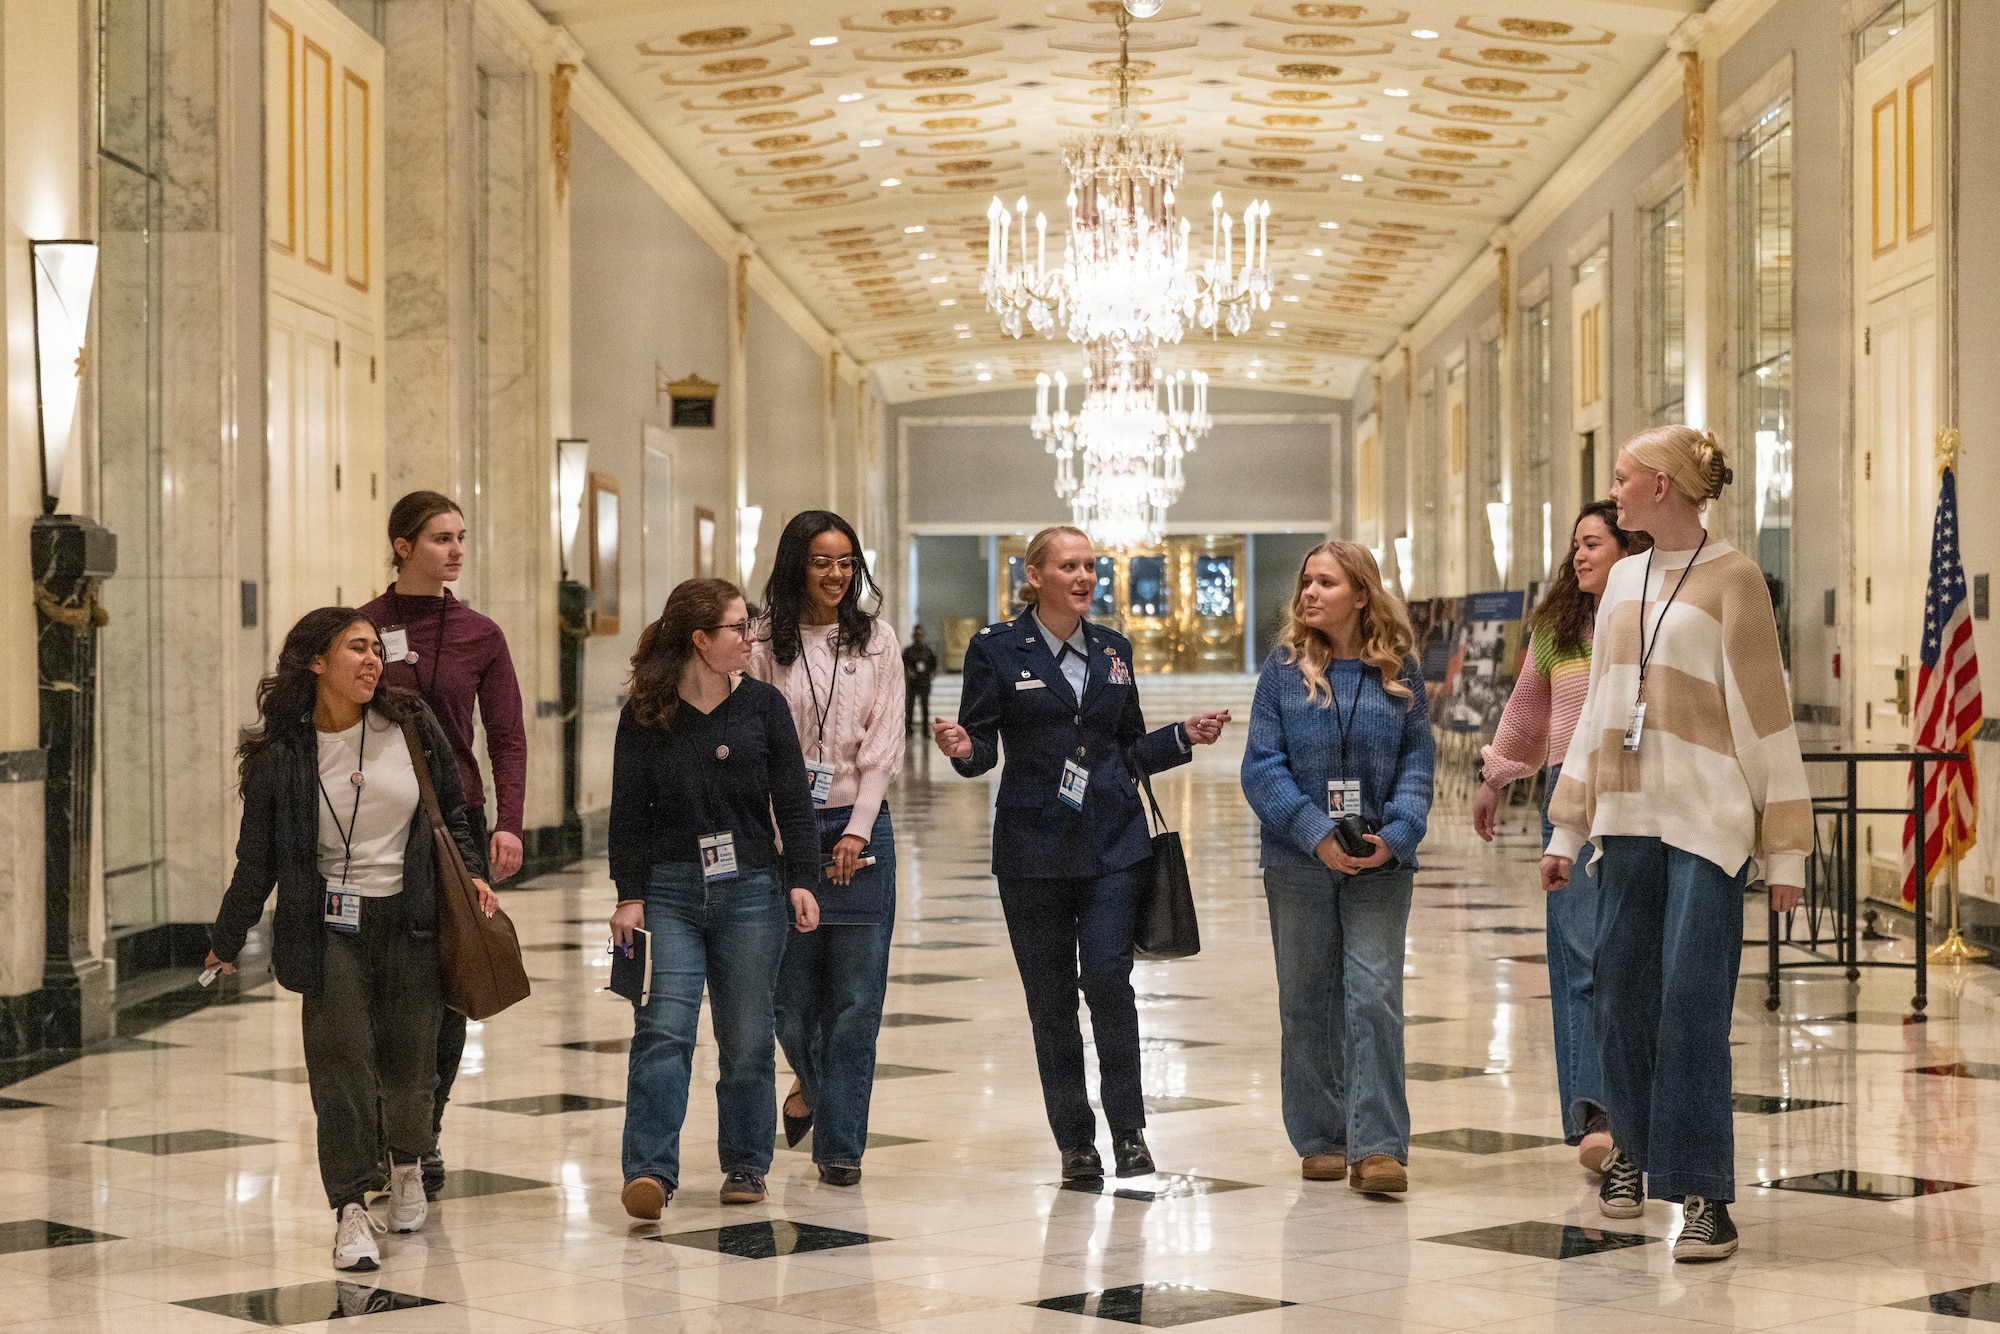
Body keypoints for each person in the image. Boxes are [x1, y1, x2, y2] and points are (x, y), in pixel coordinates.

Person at [1544, 425, 1809, 1262]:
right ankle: (1629, 1149)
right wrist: (1566, 826)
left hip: (1708, 824)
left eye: (1623, 478)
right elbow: (1595, 711)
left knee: (1690, 1009)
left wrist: (1790, 850)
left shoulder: (1736, 581)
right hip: (1624, 822)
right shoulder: (1622, 578)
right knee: (1620, 1000)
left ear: (1661, 485)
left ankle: (1704, 1198)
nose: (1613, 491)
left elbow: (1768, 715)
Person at [933, 525, 1231, 1180]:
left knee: (1107, 981)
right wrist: (962, 749)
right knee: (1050, 1001)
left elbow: (1127, 750)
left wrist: (1181, 737)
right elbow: (982, 745)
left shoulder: (1114, 651)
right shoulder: (997, 650)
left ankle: (1129, 1132)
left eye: (1091, 566)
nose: (1084, 577)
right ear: (1034, 576)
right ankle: (1076, 1142)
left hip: (1112, 845)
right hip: (1032, 852)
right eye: (1069, 566)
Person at [204, 608, 495, 1272]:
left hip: (413, 919)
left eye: (374, 649)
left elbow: (453, 812)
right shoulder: (283, 757)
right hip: (328, 928)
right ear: (315, 662)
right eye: (355, 649)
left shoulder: (411, 726)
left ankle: (409, 1162)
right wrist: (227, 937)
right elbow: (258, 861)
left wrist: (473, 877)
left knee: (409, 1066)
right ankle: (350, 1210)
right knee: (340, 1066)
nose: (371, 660)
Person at [609, 578, 822, 1219]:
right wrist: (630, 896)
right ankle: (649, 1172)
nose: (750, 638)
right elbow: (627, 814)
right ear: (701, 641)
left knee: (748, 1035)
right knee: (663, 1030)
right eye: (738, 628)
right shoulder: (645, 713)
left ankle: (746, 1165)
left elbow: (791, 802)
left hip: (753, 888)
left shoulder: (764, 707)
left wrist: (802, 879)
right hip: (670, 890)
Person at [1241, 541, 1433, 1195]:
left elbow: (1417, 762)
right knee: (1306, 998)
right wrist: (1315, 832)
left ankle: (1378, 1145)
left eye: (1324, 582)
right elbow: (1261, 767)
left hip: (1381, 859)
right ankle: (1323, 1137)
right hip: (1297, 859)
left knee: (1375, 995)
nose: (1309, 594)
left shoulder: (1399, 669)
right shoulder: (1283, 669)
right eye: (1305, 582)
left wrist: (1400, 833)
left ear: (1361, 593)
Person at [359, 490, 527, 1198]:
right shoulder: (361, 627)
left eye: (460, 537)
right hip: (374, 821)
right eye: (439, 538)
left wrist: (509, 822)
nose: (455, 550)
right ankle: (379, 1129)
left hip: (454, 823)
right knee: (375, 983)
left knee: (450, 979)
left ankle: (424, 1131)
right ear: (402, 546)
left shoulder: (480, 634)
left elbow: (507, 735)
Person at [1473, 501, 1648, 1175]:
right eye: (1575, 544)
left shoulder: (1649, 621)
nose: (1579, 555)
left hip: (1636, 804)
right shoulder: (1556, 627)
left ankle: (1637, 1104)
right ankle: (1595, 1114)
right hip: (1567, 805)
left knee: (1626, 958)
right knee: (1577, 961)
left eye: (1593, 543)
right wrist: (1494, 777)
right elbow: (1526, 711)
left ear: (1626, 549)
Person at [751, 512, 905, 1188]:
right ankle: (812, 1088)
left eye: (846, 561)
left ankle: (841, 1147)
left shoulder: (877, 641)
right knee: (785, 1000)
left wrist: (855, 831)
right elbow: (752, 747)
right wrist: (792, 848)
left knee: (854, 1000)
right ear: (795, 564)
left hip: (859, 826)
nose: (837, 574)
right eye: (822, 560)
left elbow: (882, 746)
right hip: (779, 830)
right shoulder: (759, 642)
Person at [903, 624, 938, 735]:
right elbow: (904, 664)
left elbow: (933, 664)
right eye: (916, 635)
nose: (918, 637)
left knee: (925, 707)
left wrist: (932, 672)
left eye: (920, 635)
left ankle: (925, 730)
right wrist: (909, 672)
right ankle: (908, 729)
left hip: (924, 681)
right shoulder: (908, 651)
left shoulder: (928, 651)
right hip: (912, 682)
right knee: (910, 707)